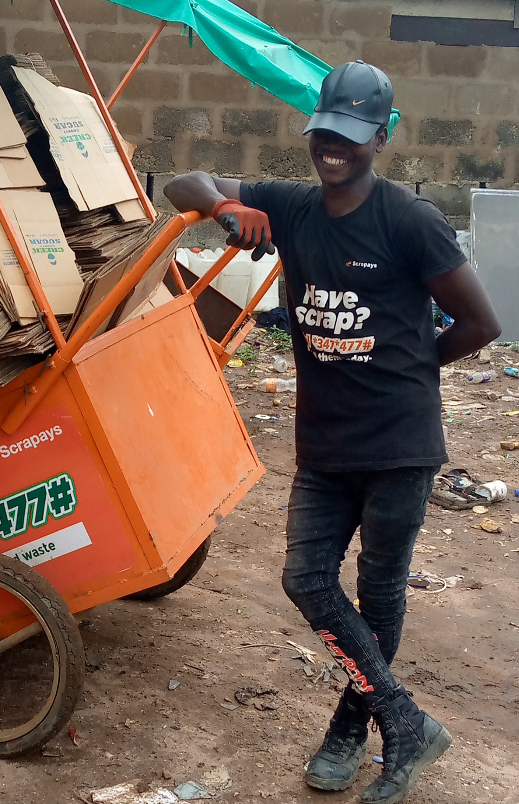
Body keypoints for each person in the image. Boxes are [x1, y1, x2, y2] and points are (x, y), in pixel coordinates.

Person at [164, 61, 501, 804]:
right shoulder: (288, 206)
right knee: (305, 579)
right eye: (325, 132)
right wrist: (226, 210)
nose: (334, 148)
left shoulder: (409, 220)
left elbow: (481, 323)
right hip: (323, 445)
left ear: (379, 138)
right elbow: (180, 182)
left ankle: (352, 730)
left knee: (378, 595)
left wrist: (411, 371)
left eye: (351, 137)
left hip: (397, 447)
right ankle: (403, 720)